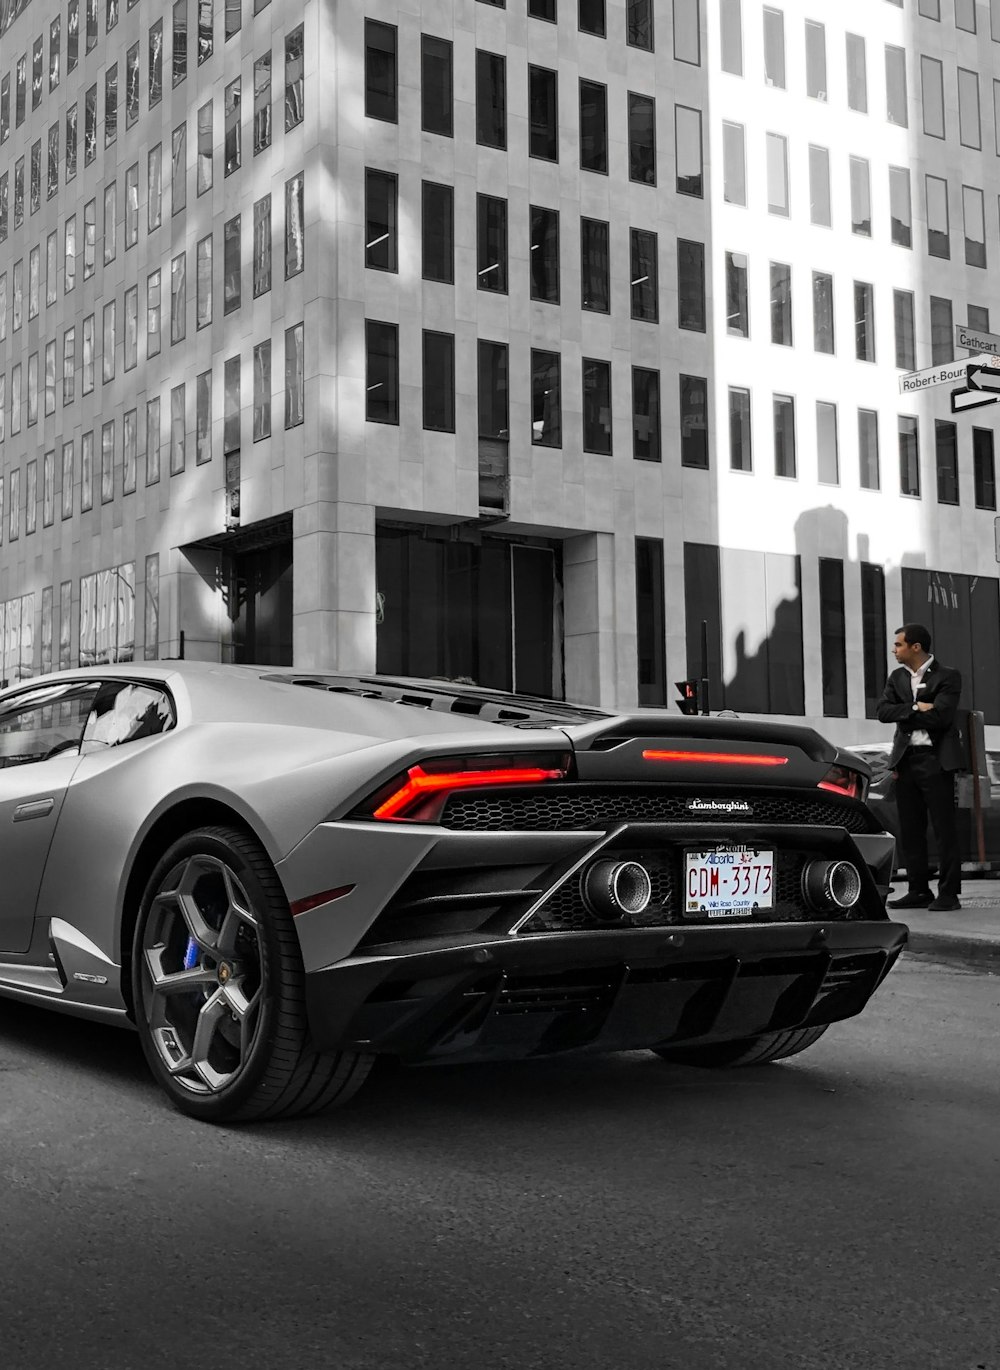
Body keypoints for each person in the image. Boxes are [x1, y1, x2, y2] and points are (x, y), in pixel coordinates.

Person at [876, 623, 964, 911]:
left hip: (937, 760)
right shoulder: (897, 677)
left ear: (916, 647)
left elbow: (942, 718)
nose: (894, 650)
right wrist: (916, 708)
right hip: (907, 760)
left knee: (944, 829)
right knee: (910, 829)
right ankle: (918, 890)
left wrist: (907, 714)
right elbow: (883, 712)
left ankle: (949, 894)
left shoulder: (948, 676)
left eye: (898, 645)